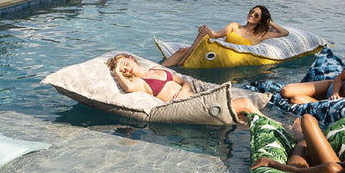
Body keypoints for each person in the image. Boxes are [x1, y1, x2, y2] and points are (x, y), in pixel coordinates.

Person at [107, 53, 262, 120]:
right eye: (123, 70)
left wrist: (184, 90)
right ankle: (278, 127)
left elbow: (184, 81)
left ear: (132, 58)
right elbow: (127, 87)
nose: (126, 69)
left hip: (194, 96)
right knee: (245, 103)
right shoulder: (139, 83)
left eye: (126, 64)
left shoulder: (157, 70)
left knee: (243, 117)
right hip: (189, 106)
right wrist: (116, 70)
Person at [162, 5, 289, 67]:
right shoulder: (235, 26)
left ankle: (183, 60)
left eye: (256, 15)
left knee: (183, 51)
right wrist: (205, 30)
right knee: (182, 50)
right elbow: (215, 36)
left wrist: (269, 22)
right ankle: (157, 70)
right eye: (251, 12)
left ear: (261, 20)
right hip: (216, 50)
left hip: (224, 55)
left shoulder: (260, 35)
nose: (251, 15)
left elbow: (284, 33)